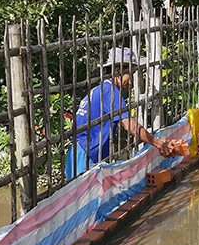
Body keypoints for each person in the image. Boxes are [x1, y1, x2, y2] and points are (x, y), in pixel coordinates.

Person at [65, 47, 175, 179]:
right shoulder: (111, 91)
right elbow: (130, 125)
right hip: (85, 155)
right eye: (131, 73)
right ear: (118, 71)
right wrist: (158, 143)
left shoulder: (101, 89)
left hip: (78, 153)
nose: (132, 80)